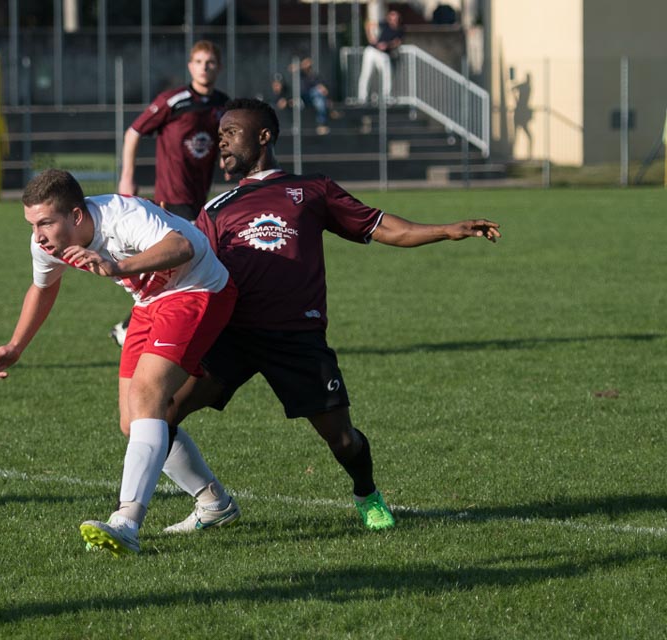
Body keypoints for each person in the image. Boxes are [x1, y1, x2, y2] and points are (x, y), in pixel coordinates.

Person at [156, 98, 500, 534]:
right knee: (157, 416)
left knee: (343, 439)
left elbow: (381, 227)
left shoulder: (312, 189)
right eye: (219, 134)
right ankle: (209, 502)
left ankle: (367, 494)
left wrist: (446, 230)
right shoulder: (217, 207)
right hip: (232, 336)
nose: (221, 141)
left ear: (264, 136)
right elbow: (192, 268)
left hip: (296, 338)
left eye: (231, 132)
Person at [0, 169, 237, 557]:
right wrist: (16, 346)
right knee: (132, 422)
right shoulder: (46, 243)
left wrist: (116, 266)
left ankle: (126, 522)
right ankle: (213, 502)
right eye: (32, 224)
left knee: (148, 395)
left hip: (198, 289)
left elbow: (182, 246)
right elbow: (43, 287)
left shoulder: (123, 216)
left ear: (76, 216)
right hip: (149, 303)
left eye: (45, 223)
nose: (37, 235)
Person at [111, 40, 230, 347]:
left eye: (210, 62)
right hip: (171, 198)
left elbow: (226, 141)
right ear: (190, 66)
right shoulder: (173, 100)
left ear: (219, 67)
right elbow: (133, 132)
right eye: (199, 62)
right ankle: (144, 327)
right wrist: (127, 177)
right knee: (191, 264)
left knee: (182, 269)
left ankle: (133, 326)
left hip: (200, 198)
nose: (204, 67)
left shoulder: (223, 105)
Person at [357, 9, 404, 104]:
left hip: (384, 54)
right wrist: (371, 38)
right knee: (366, 74)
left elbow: (397, 42)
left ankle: (386, 97)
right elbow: (368, 24)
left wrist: (387, 45)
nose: (393, 20)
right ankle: (362, 98)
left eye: (395, 18)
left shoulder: (400, 30)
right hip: (372, 51)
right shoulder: (384, 24)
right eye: (391, 18)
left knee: (387, 74)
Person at [295, 57, 331, 135]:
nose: (309, 66)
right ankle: (323, 122)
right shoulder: (300, 75)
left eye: (310, 65)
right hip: (304, 97)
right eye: (307, 65)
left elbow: (323, 88)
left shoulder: (314, 76)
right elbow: (291, 68)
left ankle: (321, 125)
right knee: (318, 93)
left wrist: (321, 88)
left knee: (320, 101)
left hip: (315, 99)